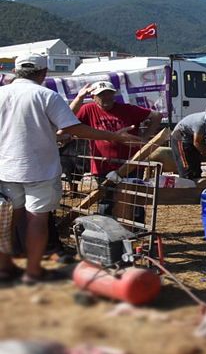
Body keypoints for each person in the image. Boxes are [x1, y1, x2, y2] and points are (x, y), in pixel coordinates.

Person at [0, 55, 140, 285]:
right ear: (43, 72)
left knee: (7, 221)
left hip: (5, 168)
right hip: (39, 170)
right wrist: (115, 136)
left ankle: (5, 268)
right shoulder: (45, 95)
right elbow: (74, 128)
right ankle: (33, 271)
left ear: (16, 71)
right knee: (37, 218)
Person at [71, 81, 162, 176]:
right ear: (93, 97)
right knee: (105, 190)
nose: (107, 97)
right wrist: (79, 97)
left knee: (131, 189)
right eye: (101, 94)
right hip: (102, 165)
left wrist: (145, 137)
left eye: (109, 93)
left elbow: (156, 115)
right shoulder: (88, 109)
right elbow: (68, 121)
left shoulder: (126, 109)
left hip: (130, 164)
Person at [170, 111, 206, 180]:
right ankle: (186, 186)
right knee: (187, 169)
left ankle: (197, 182)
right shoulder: (201, 122)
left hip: (191, 137)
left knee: (196, 167)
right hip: (180, 136)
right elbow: (197, 143)